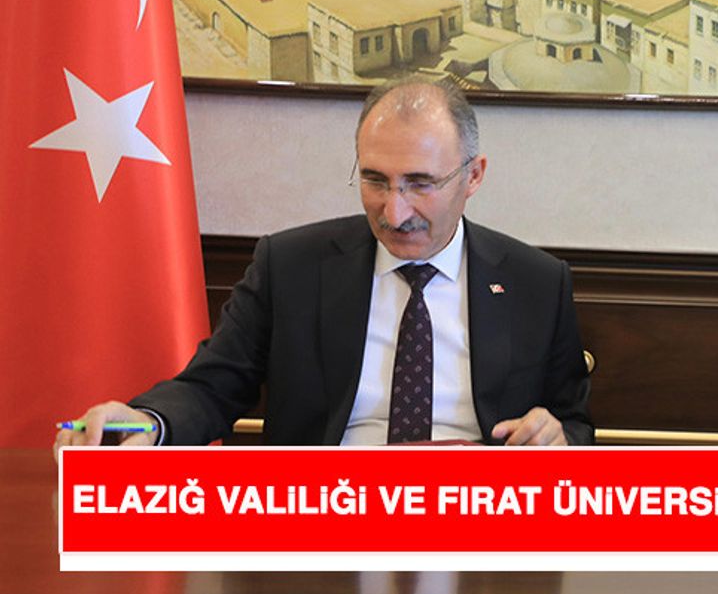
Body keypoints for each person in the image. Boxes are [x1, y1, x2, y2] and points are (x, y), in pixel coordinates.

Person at [55, 76, 592, 450]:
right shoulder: (291, 266)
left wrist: (557, 439)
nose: (394, 211)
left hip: (476, 529)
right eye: (375, 180)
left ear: (473, 176)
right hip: (321, 523)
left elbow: (573, 426)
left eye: (420, 184)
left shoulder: (536, 283)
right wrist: (147, 423)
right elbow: (210, 387)